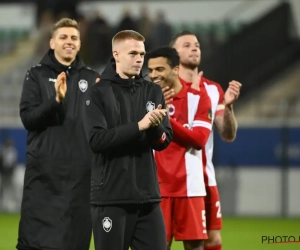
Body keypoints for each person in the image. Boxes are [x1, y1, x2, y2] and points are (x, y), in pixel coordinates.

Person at [82, 30, 173, 250]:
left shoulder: (153, 91)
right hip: (111, 199)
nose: (139, 59)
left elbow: (163, 141)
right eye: (133, 53)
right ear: (116, 54)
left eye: (141, 54)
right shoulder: (97, 93)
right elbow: (97, 140)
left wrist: (154, 128)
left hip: (148, 200)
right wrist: (140, 126)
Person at [18, 18, 100, 250]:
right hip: (44, 176)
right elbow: (28, 119)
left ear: (80, 43)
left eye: (74, 38)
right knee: (36, 243)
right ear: (52, 42)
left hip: (80, 178)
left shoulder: (92, 78)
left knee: (76, 242)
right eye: (63, 37)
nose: (69, 42)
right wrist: (56, 101)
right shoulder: (36, 75)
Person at [170, 30, 242, 250]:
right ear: (173, 55)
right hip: (167, 180)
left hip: (203, 178)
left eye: (197, 45)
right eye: (187, 45)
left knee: (212, 240)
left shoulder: (212, 90)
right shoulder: (162, 89)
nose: (195, 48)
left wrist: (228, 108)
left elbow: (228, 134)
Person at [147, 46, 213, 250]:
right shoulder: (146, 100)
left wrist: (165, 117)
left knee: (195, 247)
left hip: (189, 189)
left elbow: (199, 140)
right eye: (150, 70)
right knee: (158, 246)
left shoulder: (198, 98)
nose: (153, 75)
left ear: (175, 70)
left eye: (159, 69)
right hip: (156, 189)